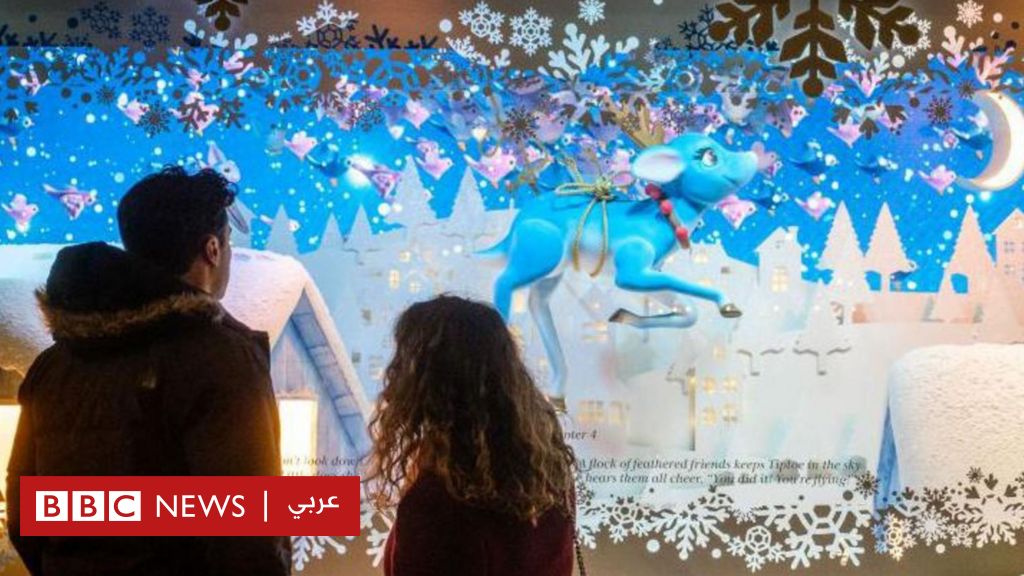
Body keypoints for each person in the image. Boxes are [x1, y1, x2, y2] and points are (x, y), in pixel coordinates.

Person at [5, 167, 291, 575]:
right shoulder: (220, 358)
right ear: (212, 249)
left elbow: (24, 512)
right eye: (228, 243)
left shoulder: (55, 364)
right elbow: (248, 532)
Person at [367, 295, 582, 576]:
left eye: (404, 362)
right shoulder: (547, 475)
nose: (393, 377)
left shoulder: (438, 502)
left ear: (434, 381)